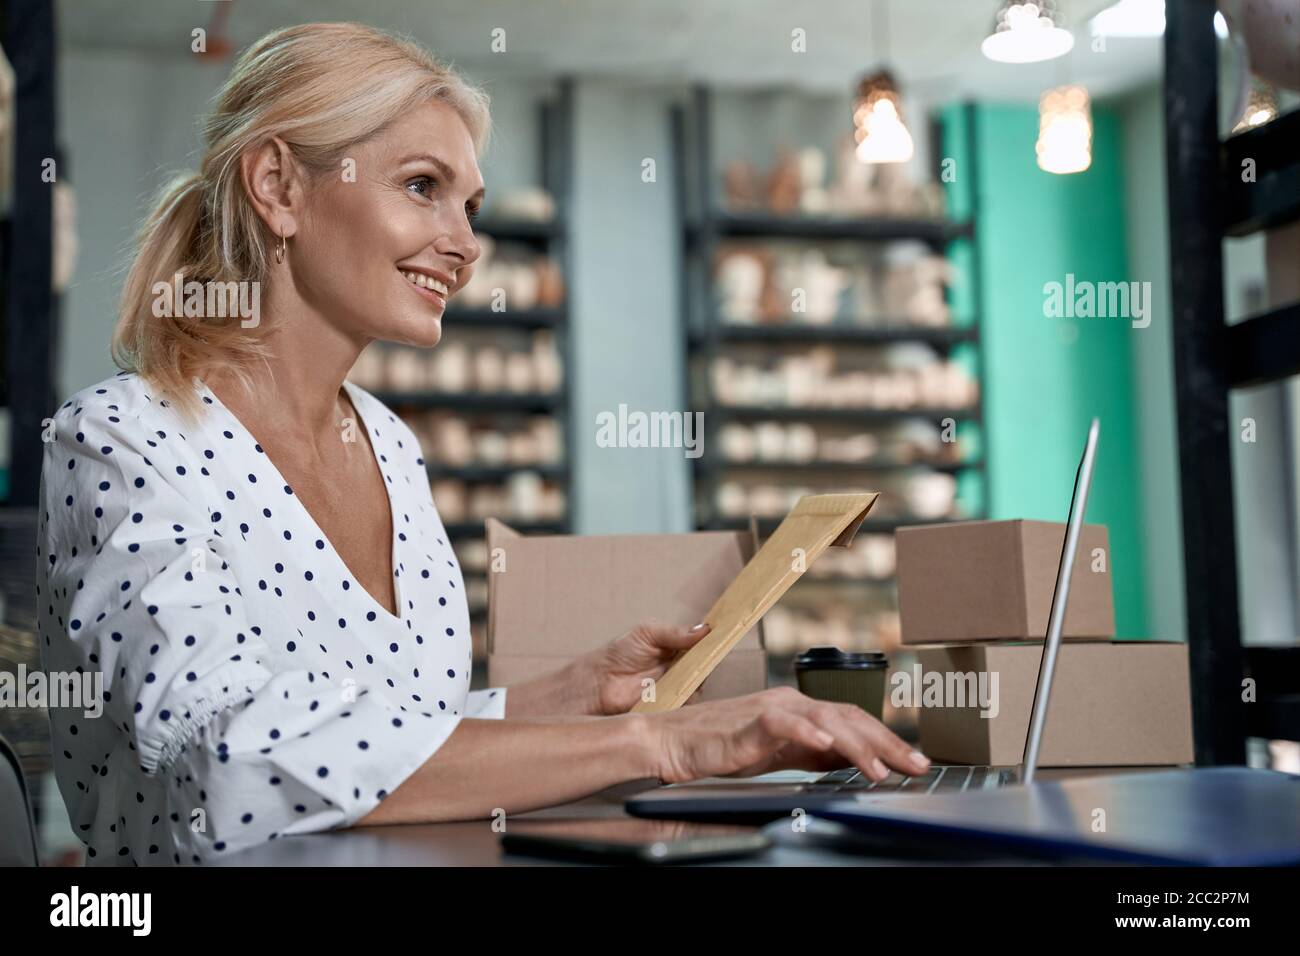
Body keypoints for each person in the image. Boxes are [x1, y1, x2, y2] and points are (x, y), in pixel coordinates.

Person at [36, 22, 928, 866]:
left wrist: (566, 700)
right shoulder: (119, 443)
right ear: (278, 186)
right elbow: (233, 763)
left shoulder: (389, 444)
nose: (465, 245)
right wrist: (659, 742)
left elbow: (396, 729)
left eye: (471, 205)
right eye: (422, 187)